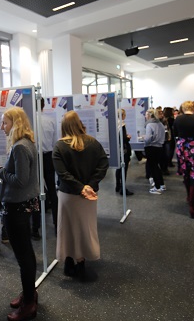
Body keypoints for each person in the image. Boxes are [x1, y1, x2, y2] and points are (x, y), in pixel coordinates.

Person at [0, 107, 40, 321]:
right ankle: (29, 294)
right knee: (26, 252)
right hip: (23, 205)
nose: (1, 127)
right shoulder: (27, 143)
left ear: (15, 123)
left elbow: (20, 180)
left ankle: (28, 303)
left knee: (23, 255)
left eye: (5, 123)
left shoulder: (19, 147)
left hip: (16, 207)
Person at [52, 111, 109, 282]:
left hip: (68, 195)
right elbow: (103, 164)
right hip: (89, 196)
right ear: (79, 123)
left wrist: (80, 187)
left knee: (67, 229)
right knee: (85, 228)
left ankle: (69, 261)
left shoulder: (59, 146)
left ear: (63, 126)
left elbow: (62, 174)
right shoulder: (93, 143)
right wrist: (89, 185)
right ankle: (81, 262)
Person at [39, 98, 59, 232]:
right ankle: (57, 224)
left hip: (35, 157)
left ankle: (35, 228)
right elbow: (55, 142)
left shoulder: (29, 120)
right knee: (52, 189)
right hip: (48, 156)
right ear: (43, 105)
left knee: (35, 190)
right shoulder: (51, 120)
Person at [144, 108, 166, 194]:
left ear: (149, 115)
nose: (145, 116)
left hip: (151, 147)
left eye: (146, 114)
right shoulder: (160, 124)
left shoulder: (149, 125)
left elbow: (148, 139)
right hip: (159, 147)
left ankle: (157, 188)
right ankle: (161, 185)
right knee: (156, 166)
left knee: (153, 168)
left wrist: (144, 139)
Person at [115, 108, 133, 195]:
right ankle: (123, 188)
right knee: (123, 169)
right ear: (122, 115)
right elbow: (123, 138)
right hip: (123, 149)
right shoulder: (122, 125)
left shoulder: (115, 123)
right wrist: (128, 137)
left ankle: (118, 186)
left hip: (118, 149)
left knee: (118, 168)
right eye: (124, 115)